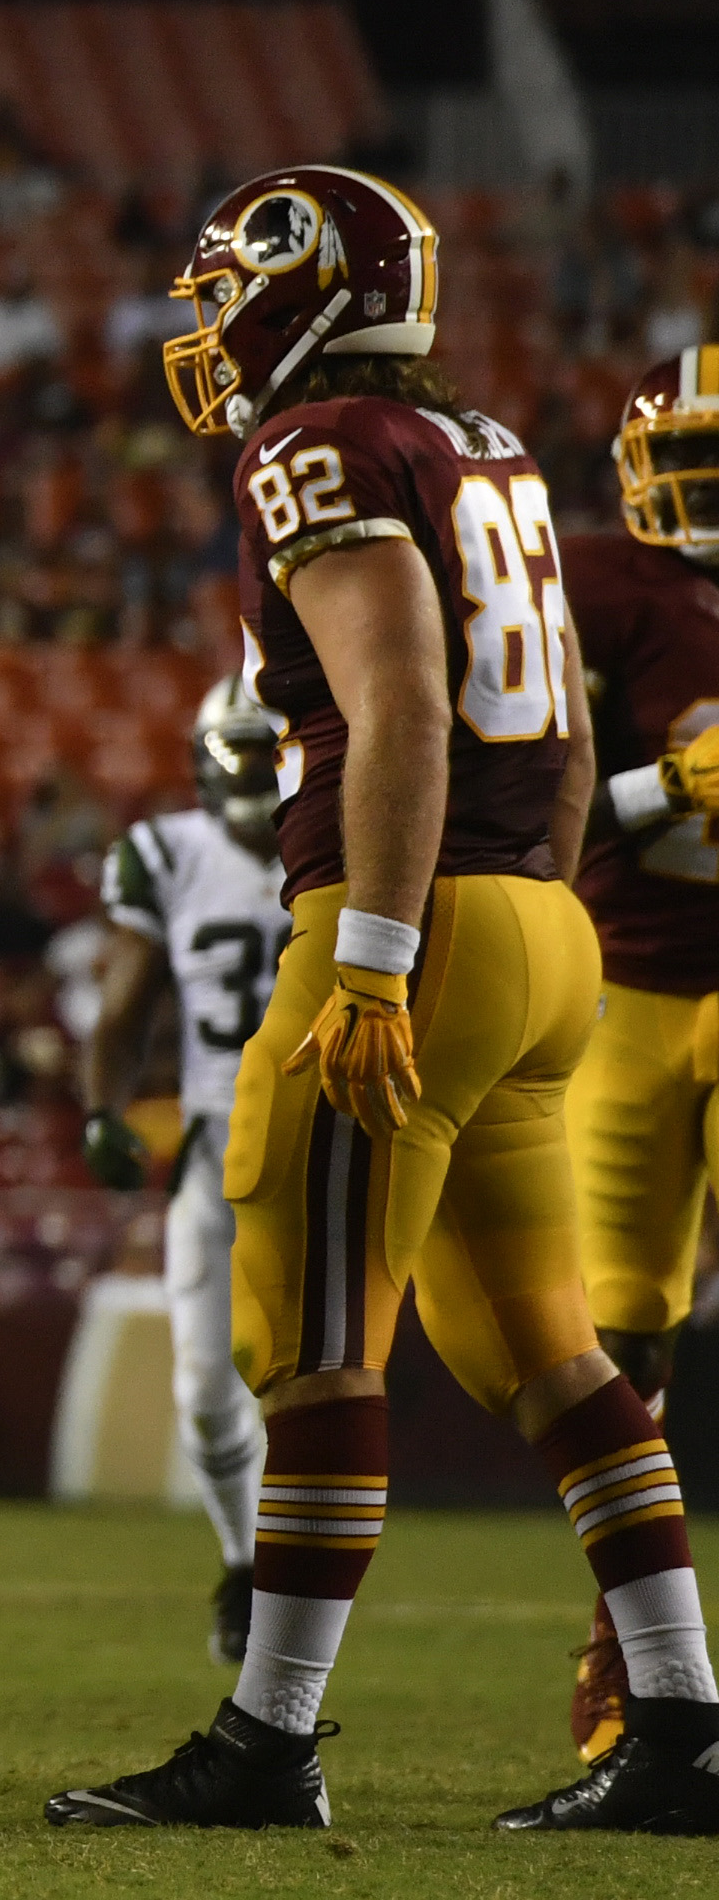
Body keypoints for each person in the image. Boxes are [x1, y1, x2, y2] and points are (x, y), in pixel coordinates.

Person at [49, 167, 719, 1834]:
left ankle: (267, 1741)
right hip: (539, 924)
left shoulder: (319, 444)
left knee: (314, 1339)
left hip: (403, 920)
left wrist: (374, 954)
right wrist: (527, 895)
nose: (206, 329)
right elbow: (554, 721)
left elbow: (405, 700)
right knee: (553, 1352)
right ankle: (686, 1720)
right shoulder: (481, 445)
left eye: (226, 292)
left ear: (308, 292)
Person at [544, 348, 719, 1763]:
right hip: (630, 990)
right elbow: (523, 790)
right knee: (621, 1342)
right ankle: (631, 1683)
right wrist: (662, 783)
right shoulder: (593, 589)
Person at [78, 676, 290, 1666]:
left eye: (267, 750)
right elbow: (125, 999)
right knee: (208, 1385)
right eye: (238, 750)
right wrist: (100, 1107)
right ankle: (245, 1561)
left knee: (322, 1375)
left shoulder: (350, 836)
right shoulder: (168, 852)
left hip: (336, 1127)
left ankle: (297, 1586)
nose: (253, 771)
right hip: (216, 1134)